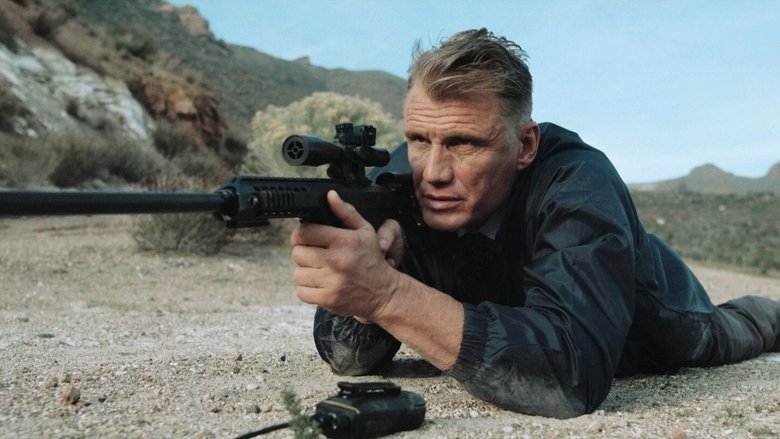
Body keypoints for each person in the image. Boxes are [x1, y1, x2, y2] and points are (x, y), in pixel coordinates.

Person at [289, 28, 780, 418]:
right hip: (517, 310)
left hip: (651, 318)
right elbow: (347, 359)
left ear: (524, 145)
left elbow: (572, 376)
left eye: (464, 143)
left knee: (730, 331)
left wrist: (387, 295)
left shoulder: (578, 181)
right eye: (419, 139)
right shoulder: (399, 180)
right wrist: (364, 290)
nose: (433, 172)